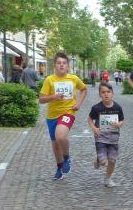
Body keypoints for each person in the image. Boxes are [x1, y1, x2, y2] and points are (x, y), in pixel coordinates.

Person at [39, 52, 87, 180]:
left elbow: (84, 89)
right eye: (59, 63)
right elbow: (41, 99)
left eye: (64, 63)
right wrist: (53, 97)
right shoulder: (49, 80)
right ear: (54, 65)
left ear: (68, 66)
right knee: (55, 144)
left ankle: (66, 158)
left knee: (60, 136)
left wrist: (78, 103)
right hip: (52, 115)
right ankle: (59, 168)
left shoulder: (73, 79)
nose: (61, 65)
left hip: (68, 112)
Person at [87, 81, 124, 187]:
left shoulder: (117, 107)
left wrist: (119, 124)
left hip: (114, 138)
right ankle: (99, 160)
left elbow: (122, 120)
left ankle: (107, 179)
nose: (106, 94)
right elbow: (89, 119)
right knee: (104, 162)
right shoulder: (96, 108)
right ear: (100, 94)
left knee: (112, 160)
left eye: (108, 92)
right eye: (103, 92)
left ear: (112, 93)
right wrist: (94, 128)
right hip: (101, 137)